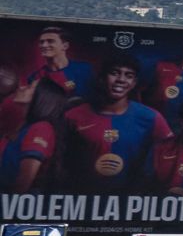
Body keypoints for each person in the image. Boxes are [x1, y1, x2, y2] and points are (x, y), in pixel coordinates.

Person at [62, 59, 164, 194]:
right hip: (82, 197)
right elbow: (60, 160)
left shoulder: (151, 117)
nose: (121, 79)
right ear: (101, 78)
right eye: (114, 73)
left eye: (129, 76)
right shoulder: (73, 116)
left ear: (134, 84)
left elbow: (170, 155)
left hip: (130, 200)